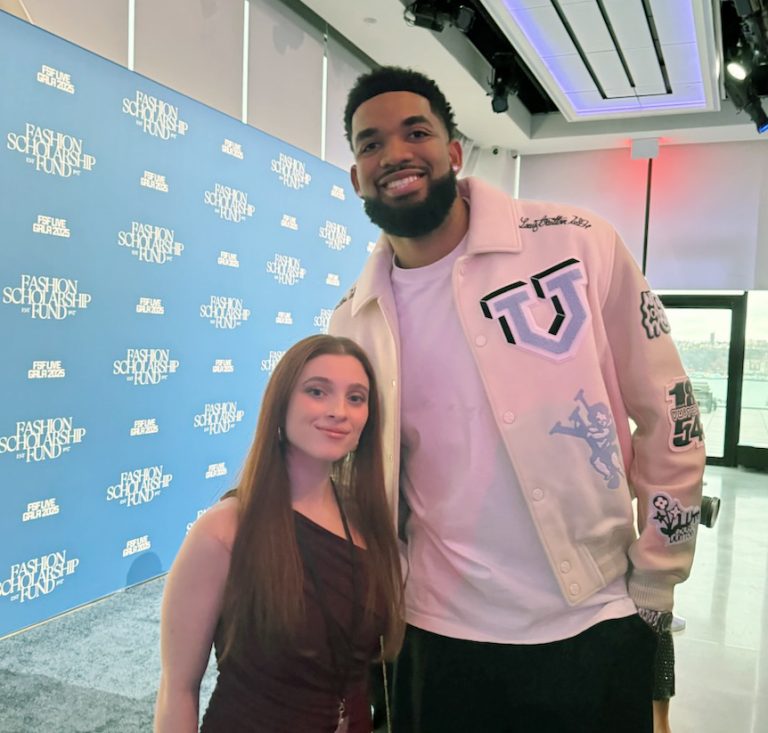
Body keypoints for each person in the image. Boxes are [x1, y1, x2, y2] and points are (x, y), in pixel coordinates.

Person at [329, 66, 706, 733]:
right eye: (370, 143)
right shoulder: (354, 318)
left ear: (453, 150)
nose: (394, 153)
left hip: (593, 619)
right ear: (357, 176)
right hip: (436, 633)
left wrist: (657, 574)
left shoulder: (576, 242)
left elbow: (669, 412)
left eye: (415, 131)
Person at [154, 334, 404, 733]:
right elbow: (178, 689)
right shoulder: (225, 530)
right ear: (281, 404)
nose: (339, 411)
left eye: (356, 398)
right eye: (317, 391)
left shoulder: (365, 521)